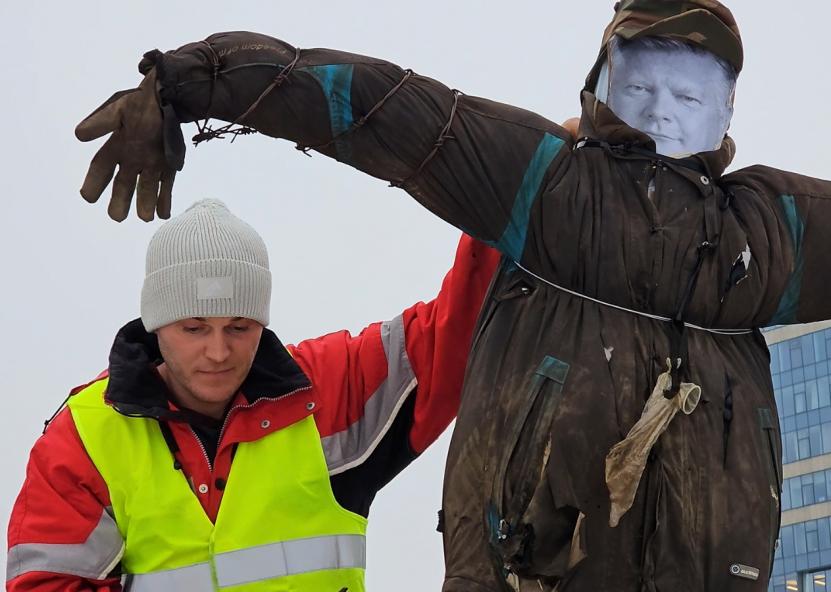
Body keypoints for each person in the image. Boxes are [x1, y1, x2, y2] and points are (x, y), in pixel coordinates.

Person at [70, 1, 831, 589]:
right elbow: (386, 112)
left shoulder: (761, 235)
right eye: (640, 84)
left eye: (691, 93)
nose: (663, 109)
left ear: (727, 111)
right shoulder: (550, 188)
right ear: (600, 88)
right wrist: (193, 81)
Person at [6, 199, 500, 591]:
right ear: (156, 326)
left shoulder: (328, 392)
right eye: (194, 328)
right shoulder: (88, 435)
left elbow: (455, 331)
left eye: (239, 326)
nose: (218, 351)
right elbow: (46, 586)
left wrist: (530, 186)